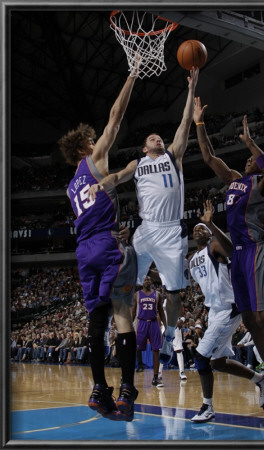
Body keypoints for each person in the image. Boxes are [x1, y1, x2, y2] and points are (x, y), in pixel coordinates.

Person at [193, 98, 264, 419]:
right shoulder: (236, 179)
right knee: (251, 321)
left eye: (253, 158)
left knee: (263, 319)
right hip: (238, 256)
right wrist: (199, 124)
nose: (248, 160)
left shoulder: (263, 185)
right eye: (248, 157)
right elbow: (209, 157)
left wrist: (251, 142)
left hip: (257, 251)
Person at [88, 67, 200, 365]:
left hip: (172, 232)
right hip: (146, 231)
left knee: (173, 292)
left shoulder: (173, 156)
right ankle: (108, 332)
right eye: (152, 138)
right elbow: (117, 177)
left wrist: (191, 91)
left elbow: (185, 122)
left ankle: (169, 337)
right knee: (124, 285)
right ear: (144, 146)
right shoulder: (137, 163)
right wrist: (100, 185)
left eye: (159, 137)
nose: (157, 138)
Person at [58, 66, 140, 422]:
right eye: (91, 140)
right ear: (83, 147)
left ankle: (97, 387)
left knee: (96, 319)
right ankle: (125, 390)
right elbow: (115, 117)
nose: (97, 141)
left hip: (84, 251)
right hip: (106, 247)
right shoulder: (94, 160)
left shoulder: (70, 187)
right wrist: (132, 76)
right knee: (123, 313)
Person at [189, 200, 264, 423]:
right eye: (195, 228)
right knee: (217, 363)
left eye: (201, 228)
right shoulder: (192, 260)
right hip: (214, 311)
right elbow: (184, 283)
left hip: (229, 307)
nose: (198, 230)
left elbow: (232, 250)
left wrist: (211, 224)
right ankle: (260, 379)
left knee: (201, 357)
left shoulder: (213, 245)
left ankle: (208, 407)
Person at [132, 276, 167, 387]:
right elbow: (133, 312)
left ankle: (155, 378)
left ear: (151, 282)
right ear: (141, 282)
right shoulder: (137, 295)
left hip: (153, 323)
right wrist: (129, 325)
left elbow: (161, 311)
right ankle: (128, 377)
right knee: (134, 349)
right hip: (141, 323)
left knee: (156, 350)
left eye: (149, 279)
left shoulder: (157, 294)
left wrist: (166, 325)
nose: (147, 281)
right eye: (145, 279)